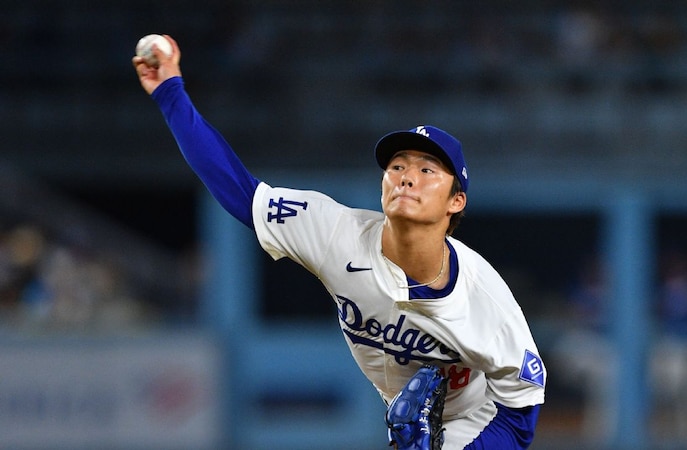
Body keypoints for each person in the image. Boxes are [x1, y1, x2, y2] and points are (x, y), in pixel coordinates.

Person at [132, 35, 546, 449]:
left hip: (478, 419)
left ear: (456, 201)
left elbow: (519, 419)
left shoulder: (486, 302)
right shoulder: (337, 233)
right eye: (397, 165)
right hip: (407, 418)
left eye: (427, 170)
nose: (406, 176)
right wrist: (171, 93)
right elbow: (240, 191)